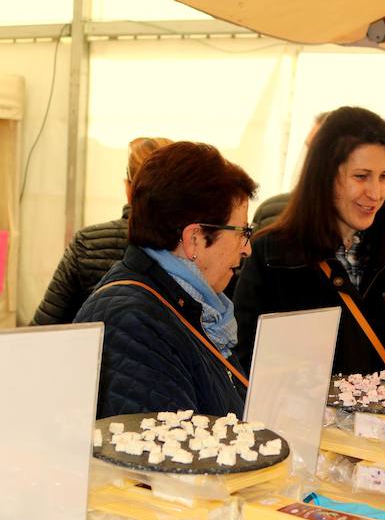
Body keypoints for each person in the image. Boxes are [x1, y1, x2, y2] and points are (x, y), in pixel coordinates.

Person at [233, 106, 385, 395]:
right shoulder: (272, 255)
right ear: (324, 175)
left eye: (384, 176)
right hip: (303, 435)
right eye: (361, 176)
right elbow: (246, 361)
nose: (375, 193)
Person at [74, 141, 257, 418]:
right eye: (241, 232)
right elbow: (171, 453)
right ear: (194, 239)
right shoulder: (133, 322)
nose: (247, 248)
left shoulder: (192, 306)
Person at [31, 136, 173, 325]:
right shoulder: (193, 248)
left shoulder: (86, 243)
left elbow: (44, 327)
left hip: (89, 353)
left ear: (128, 188)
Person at [252, 111, 330, 231]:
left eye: (317, 152)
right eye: (308, 149)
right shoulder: (269, 214)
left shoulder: (361, 225)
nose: (308, 162)